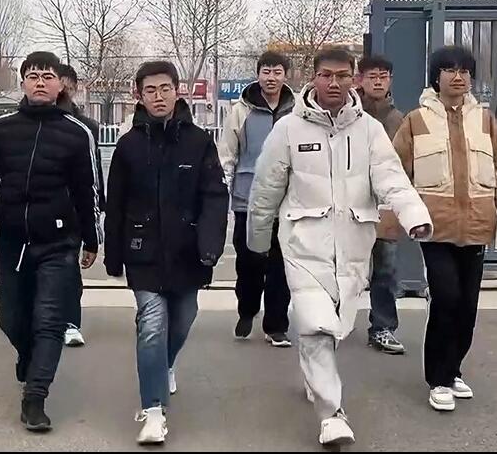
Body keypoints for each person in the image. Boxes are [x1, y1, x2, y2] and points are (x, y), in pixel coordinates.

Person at [248, 48, 432, 446]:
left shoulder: (370, 130)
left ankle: (315, 374)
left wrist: (414, 215)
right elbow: (265, 189)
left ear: (354, 80)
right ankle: (332, 414)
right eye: (326, 75)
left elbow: (391, 178)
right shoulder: (288, 129)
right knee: (315, 327)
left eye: (343, 76)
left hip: (353, 247)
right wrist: (257, 241)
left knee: (333, 325)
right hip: (302, 245)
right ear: (313, 78)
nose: (334, 83)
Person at [0, 51, 101, 432]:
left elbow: (87, 190)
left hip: (58, 242)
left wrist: (91, 239)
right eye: (32, 76)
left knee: (49, 320)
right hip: (12, 240)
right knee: (10, 317)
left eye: (47, 76)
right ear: (23, 83)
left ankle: (35, 397)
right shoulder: (3, 128)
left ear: (61, 85)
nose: (40, 82)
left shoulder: (77, 133)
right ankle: (28, 358)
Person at [392, 45, 497, 412]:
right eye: (450, 70)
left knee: (468, 305)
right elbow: (395, 174)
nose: (458, 77)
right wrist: (391, 223)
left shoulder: (485, 121)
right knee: (447, 297)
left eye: (464, 71)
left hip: (477, 227)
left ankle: (453, 370)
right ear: (436, 77)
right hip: (434, 229)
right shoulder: (416, 120)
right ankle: (437, 379)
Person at [104, 61, 228, 445]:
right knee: (152, 325)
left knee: (184, 318)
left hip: (187, 252)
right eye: (150, 90)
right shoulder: (128, 146)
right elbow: (115, 203)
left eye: (165, 89)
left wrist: (210, 244)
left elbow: (214, 196)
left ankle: (165, 364)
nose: (158, 97)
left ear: (178, 91)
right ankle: (153, 410)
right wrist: (112, 256)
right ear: (139, 95)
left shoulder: (199, 142)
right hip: (142, 252)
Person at [218, 51, 295, 347]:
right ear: (258, 74)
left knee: (281, 267)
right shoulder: (241, 111)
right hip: (247, 201)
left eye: (277, 72)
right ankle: (247, 310)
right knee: (249, 264)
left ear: (286, 75)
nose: (271, 77)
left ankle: (276, 326)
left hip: (287, 203)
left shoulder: (297, 110)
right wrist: (222, 195)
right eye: (266, 71)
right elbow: (227, 154)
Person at [355, 56, 407, 355]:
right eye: (371, 76)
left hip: (384, 205)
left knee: (386, 270)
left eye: (383, 76)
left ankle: (383, 327)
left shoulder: (400, 119)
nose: (377, 81)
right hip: (349, 203)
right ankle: (331, 322)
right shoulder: (347, 113)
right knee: (341, 266)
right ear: (359, 80)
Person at [57, 63, 105, 348]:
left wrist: (98, 208)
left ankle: (70, 323)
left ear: (75, 89)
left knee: (68, 268)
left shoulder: (87, 128)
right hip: (36, 211)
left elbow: (93, 171)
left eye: (68, 86)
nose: (63, 90)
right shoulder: (24, 122)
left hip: (73, 209)